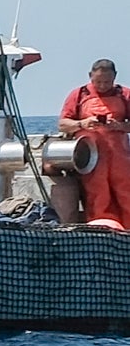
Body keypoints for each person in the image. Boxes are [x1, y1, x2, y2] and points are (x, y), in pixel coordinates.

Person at [58, 59, 130, 225]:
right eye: (98, 82)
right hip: (91, 158)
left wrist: (120, 125)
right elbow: (63, 124)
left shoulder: (124, 95)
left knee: (126, 193)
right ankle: (100, 232)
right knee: (97, 195)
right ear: (90, 76)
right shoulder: (79, 95)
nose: (103, 86)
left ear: (115, 77)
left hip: (120, 157)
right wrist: (82, 123)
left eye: (107, 82)